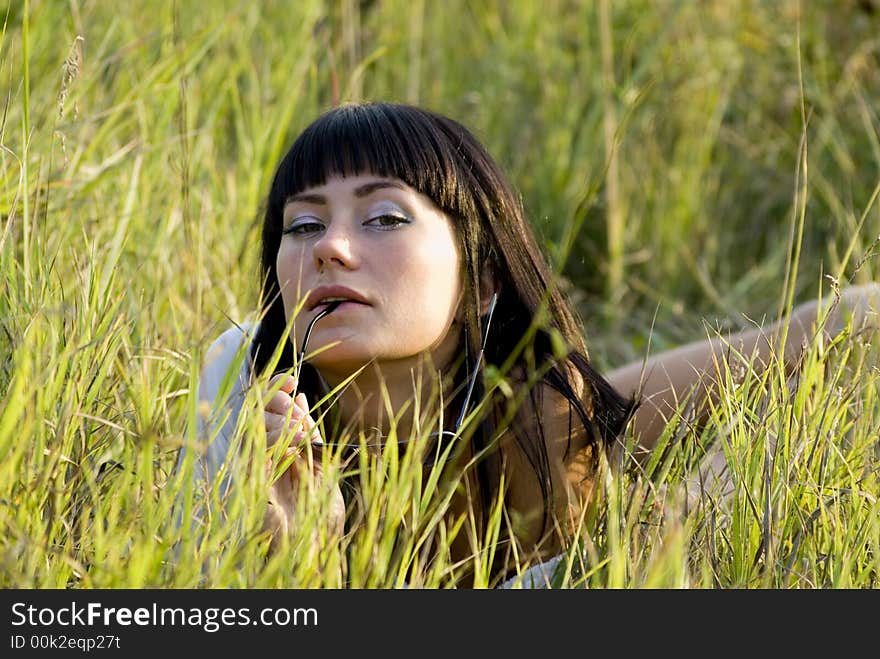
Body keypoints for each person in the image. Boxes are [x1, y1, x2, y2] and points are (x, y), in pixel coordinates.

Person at [177, 101, 879, 588]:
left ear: (482, 280)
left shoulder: (536, 438)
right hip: (525, 438)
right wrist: (294, 560)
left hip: (516, 423)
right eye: (301, 226)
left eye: (383, 216)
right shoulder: (243, 381)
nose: (329, 246)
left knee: (842, 335)